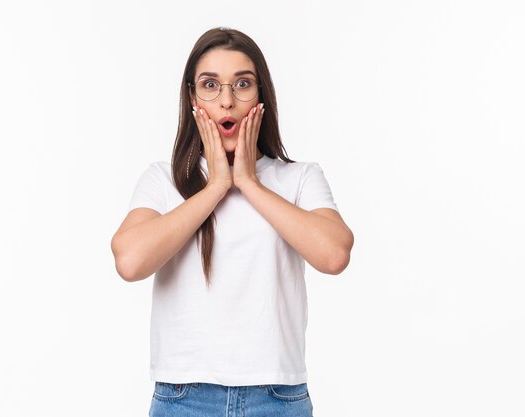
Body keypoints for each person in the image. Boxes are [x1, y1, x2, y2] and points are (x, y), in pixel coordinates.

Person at [111, 27, 354, 417]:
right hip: (184, 397)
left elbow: (334, 254)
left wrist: (249, 183)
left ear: (262, 95)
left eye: (243, 84)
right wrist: (216, 187)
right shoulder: (163, 179)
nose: (227, 101)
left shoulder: (299, 178)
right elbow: (130, 261)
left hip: (278, 397)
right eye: (210, 85)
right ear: (192, 97)